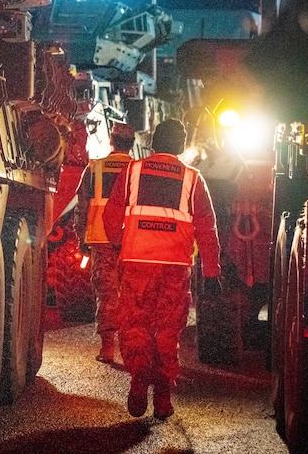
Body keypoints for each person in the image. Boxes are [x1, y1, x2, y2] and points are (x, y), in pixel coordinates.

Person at [103, 118, 223, 420]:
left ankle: (139, 378)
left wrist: (119, 244)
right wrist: (212, 269)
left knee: (136, 324)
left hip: (137, 262)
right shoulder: (193, 179)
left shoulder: (132, 171)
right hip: (174, 267)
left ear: (154, 142)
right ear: (181, 146)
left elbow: (111, 214)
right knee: (168, 330)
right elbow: (207, 227)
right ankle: (163, 397)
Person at [72, 121, 138, 363]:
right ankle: (132, 349)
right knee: (132, 294)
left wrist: (82, 238)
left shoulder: (94, 168)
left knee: (107, 294)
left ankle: (108, 348)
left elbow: (82, 207)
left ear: (111, 141)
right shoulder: (138, 170)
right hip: (132, 241)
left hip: (101, 240)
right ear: (132, 144)